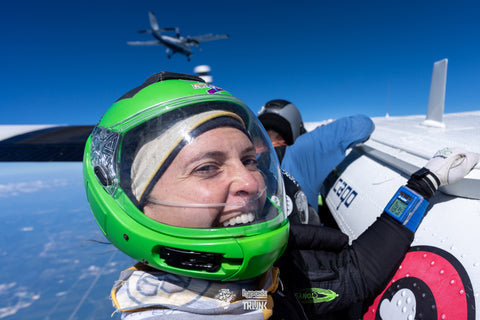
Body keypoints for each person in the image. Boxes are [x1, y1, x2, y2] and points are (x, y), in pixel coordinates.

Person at [83, 71, 479, 319]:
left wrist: (423, 184)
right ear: (134, 205)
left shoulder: (257, 291)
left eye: (251, 160)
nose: (252, 183)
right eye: (206, 167)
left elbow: (356, 274)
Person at [258, 99, 375, 224]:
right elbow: (363, 125)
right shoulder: (303, 148)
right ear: (296, 126)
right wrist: (321, 132)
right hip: (306, 240)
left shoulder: (248, 159)